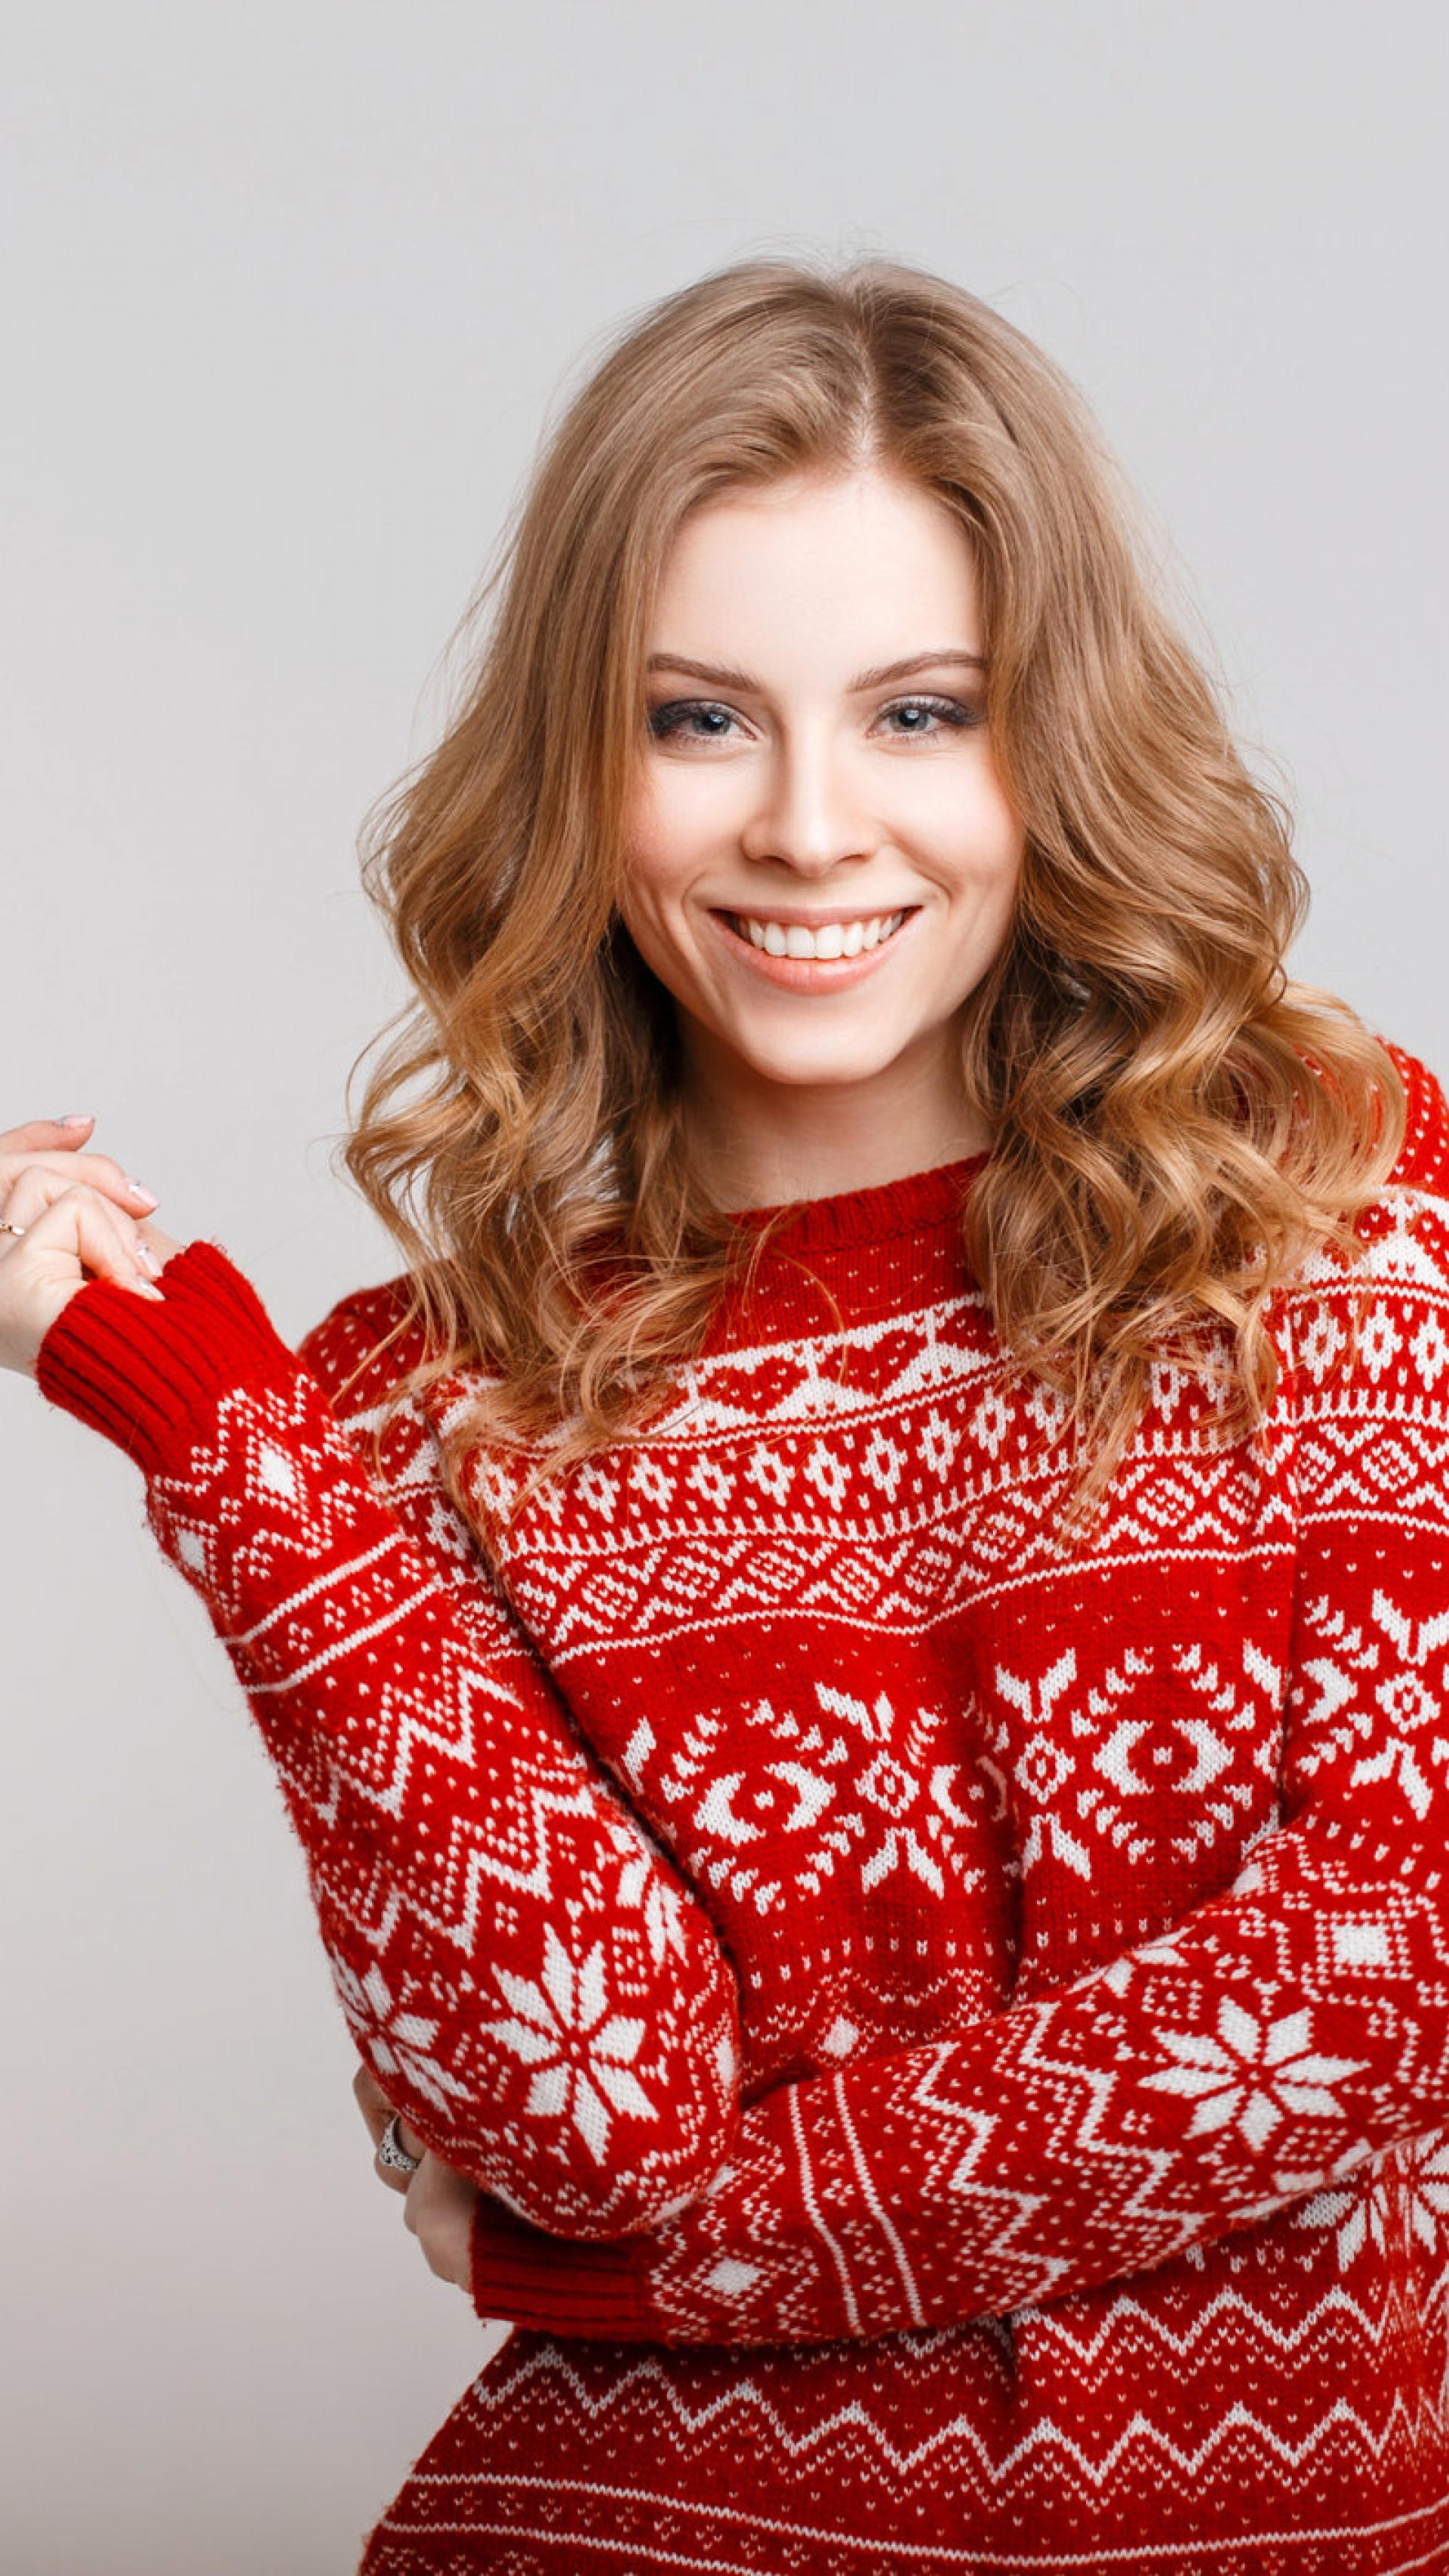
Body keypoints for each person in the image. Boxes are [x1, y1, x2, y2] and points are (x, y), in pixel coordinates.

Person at [5, 254, 1448, 2574]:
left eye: (917, 714)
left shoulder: (1340, 1206)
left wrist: (648, 2277)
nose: (801, 828)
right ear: (584, 758)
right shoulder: (407, 1415)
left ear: (1052, 739)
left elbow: (1383, 1977)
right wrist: (210, 1425)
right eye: (698, 719)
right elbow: (587, 2114)